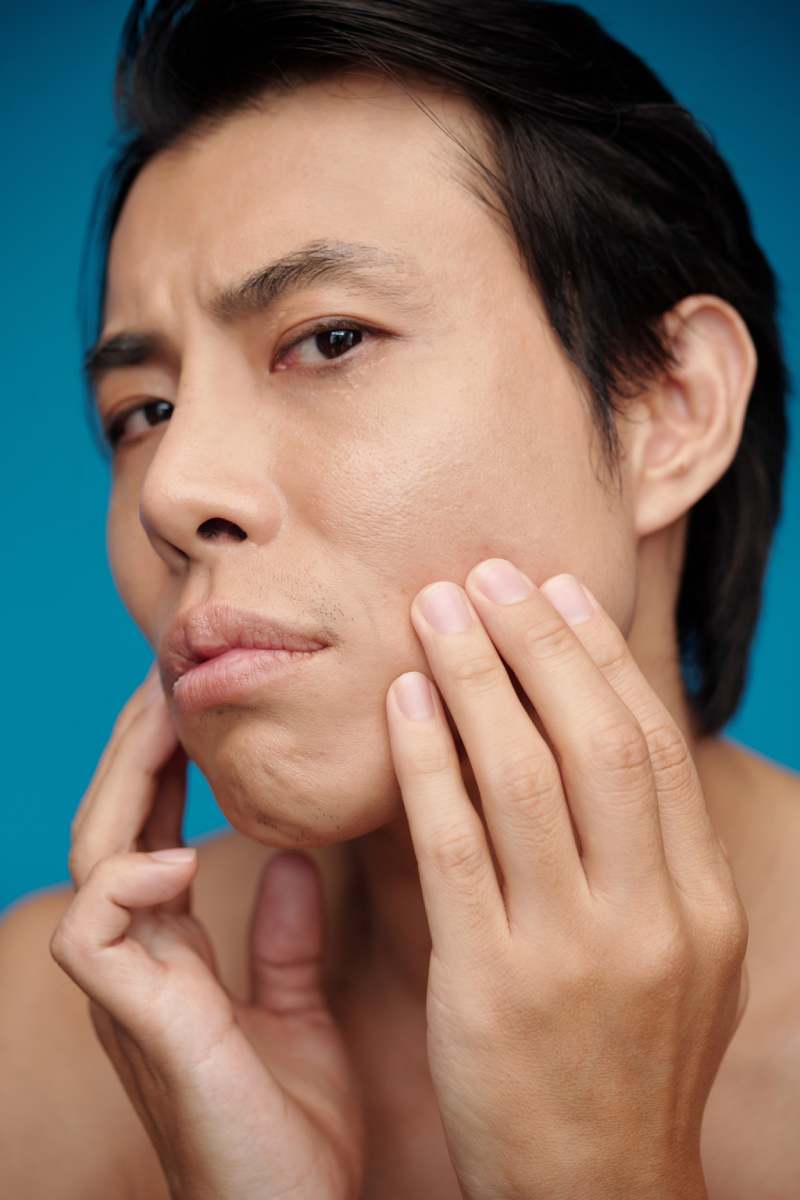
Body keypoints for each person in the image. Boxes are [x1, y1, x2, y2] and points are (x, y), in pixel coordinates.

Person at [2, 1, 797, 1196]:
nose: (173, 489)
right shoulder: (51, 1034)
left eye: (327, 341)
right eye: (141, 413)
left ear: (666, 410)